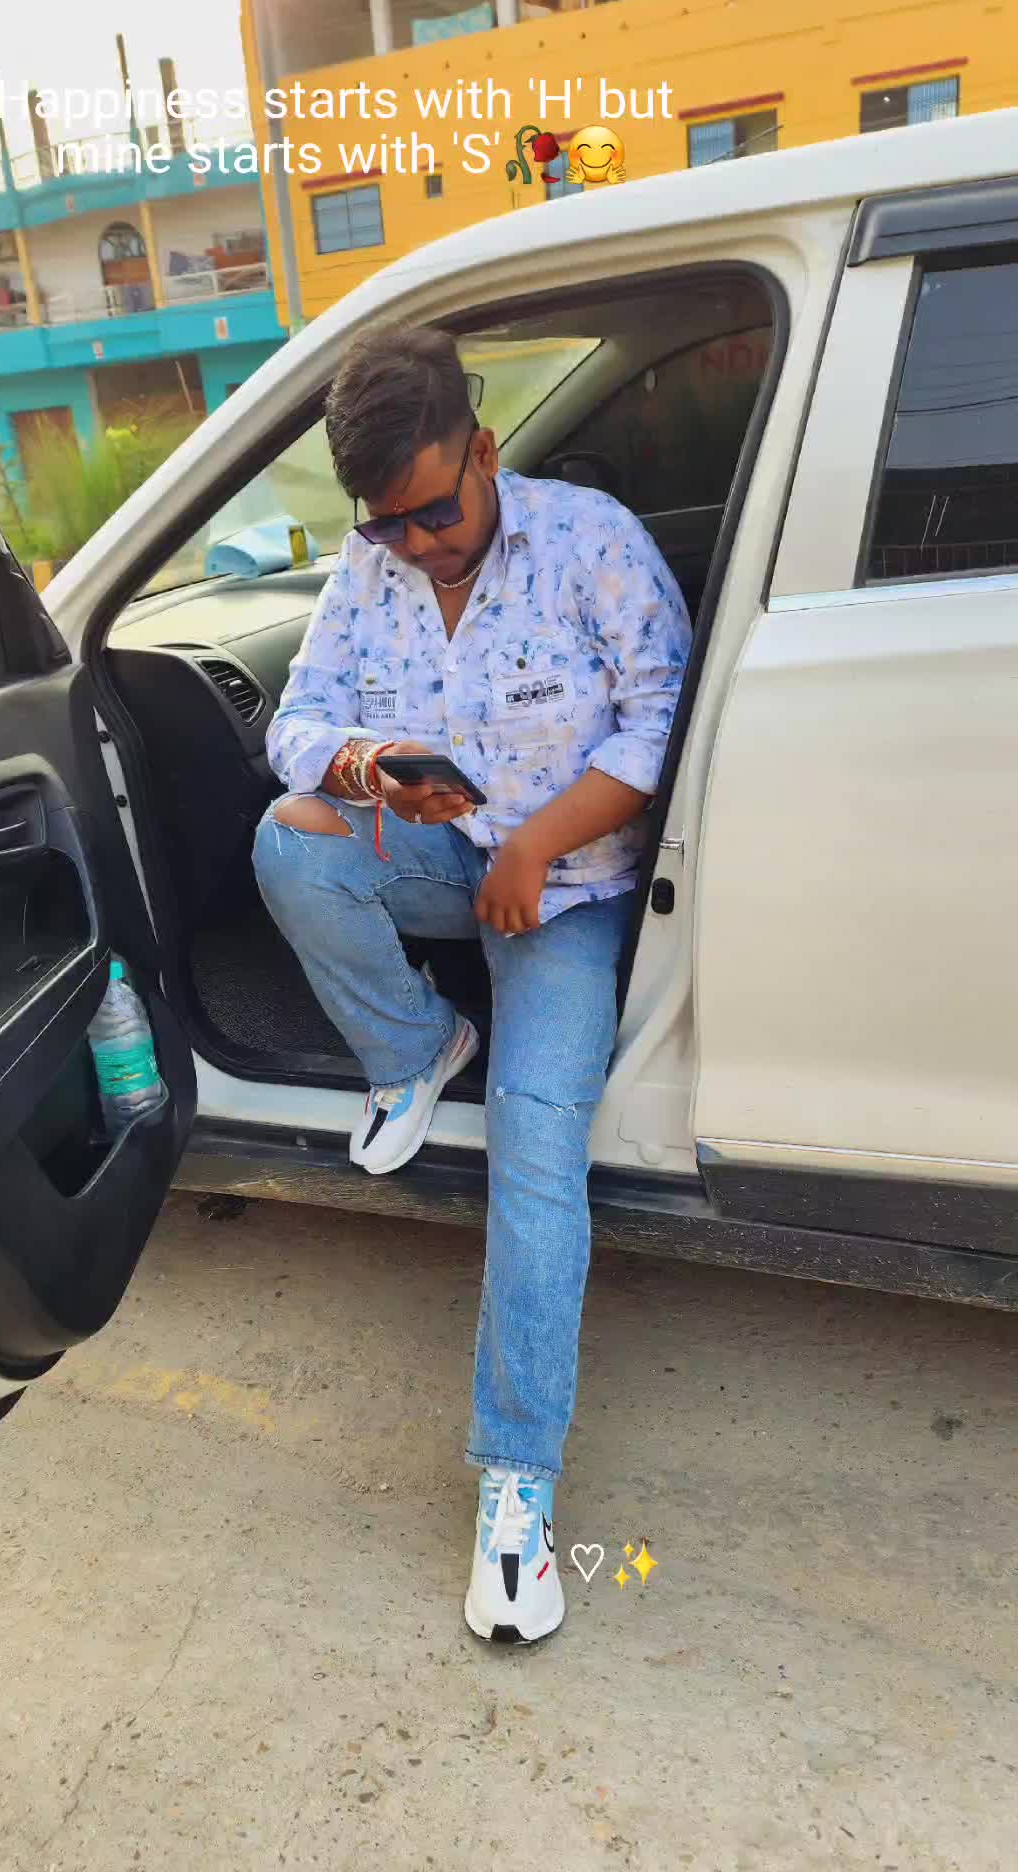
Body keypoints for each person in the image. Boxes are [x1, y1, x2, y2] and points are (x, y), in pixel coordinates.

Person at [253, 323, 690, 1644]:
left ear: (485, 451)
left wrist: (539, 848)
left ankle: (517, 1482)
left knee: (536, 1145)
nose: (418, 545)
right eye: (387, 525)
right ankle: (415, 1047)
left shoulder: (591, 542)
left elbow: (661, 724)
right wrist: (370, 766)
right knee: (292, 838)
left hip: (567, 891)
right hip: (449, 853)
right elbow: (295, 724)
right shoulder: (373, 565)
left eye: (436, 512)